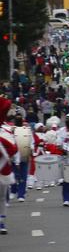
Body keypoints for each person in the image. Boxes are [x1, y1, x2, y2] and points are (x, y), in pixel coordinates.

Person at [0, 97, 15, 234]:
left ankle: (1, 221)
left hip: (2, 171)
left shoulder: (6, 130)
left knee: (2, 196)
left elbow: (13, 149)